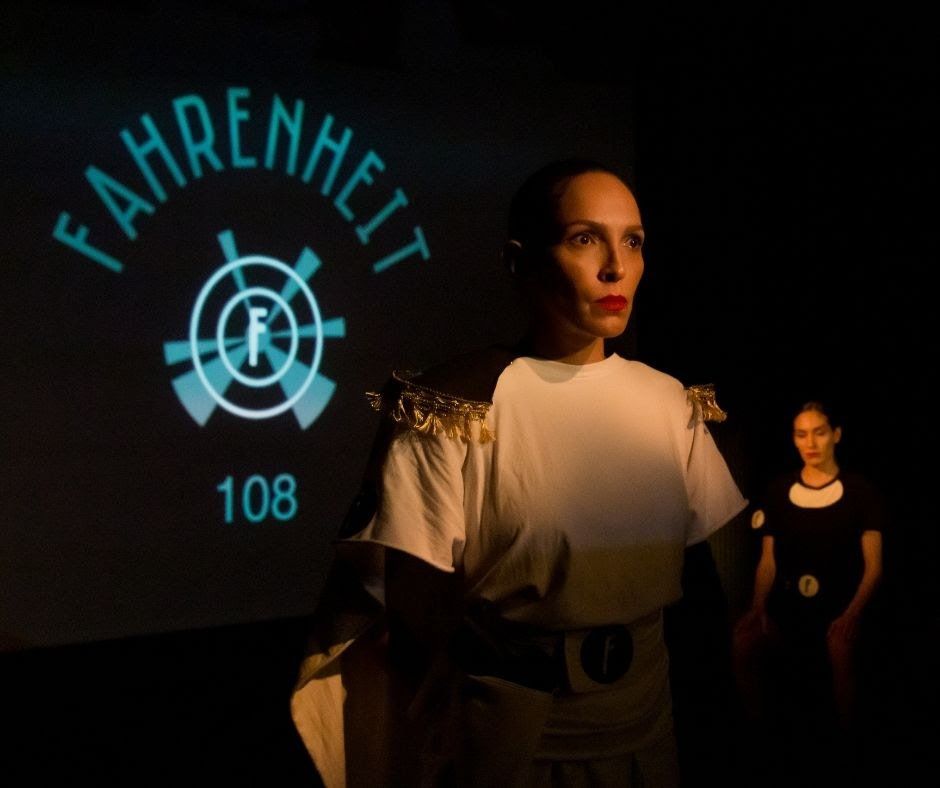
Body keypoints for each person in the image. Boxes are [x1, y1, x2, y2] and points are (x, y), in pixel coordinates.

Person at [290, 158, 748, 787]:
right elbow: (412, 606)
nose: (615, 266)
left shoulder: (670, 403)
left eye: (633, 241)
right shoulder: (454, 409)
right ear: (519, 260)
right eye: (584, 238)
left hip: (645, 732)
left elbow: (714, 581)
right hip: (512, 744)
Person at [731, 400, 885, 776]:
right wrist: (758, 607)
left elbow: (874, 566)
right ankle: (758, 739)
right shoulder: (779, 489)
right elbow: (768, 560)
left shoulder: (859, 491)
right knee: (743, 641)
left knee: (839, 648)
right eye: (801, 434)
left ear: (836, 435)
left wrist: (851, 615)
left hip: (839, 606)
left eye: (819, 432)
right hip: (788, 608)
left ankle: (848, 749)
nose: (810, 442)